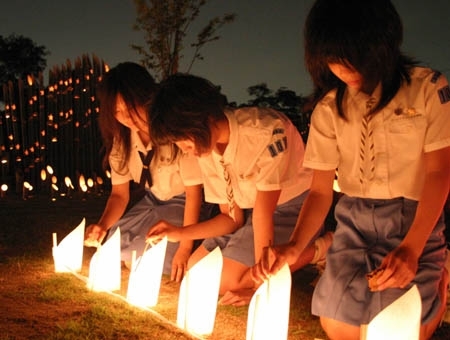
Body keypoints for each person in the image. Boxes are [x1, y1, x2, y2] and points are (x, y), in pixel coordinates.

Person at [252, 0, 450, 339]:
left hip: (414, 219)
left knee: (396, 327)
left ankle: (437, 282)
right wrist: (295, 246)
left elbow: (439, 173)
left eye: (356, 55)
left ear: (382, 43)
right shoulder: (329, 109)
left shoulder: (428, 89)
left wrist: (413, 248)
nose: (346, 68)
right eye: (335, 59)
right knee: (338, 326)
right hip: (354, 223)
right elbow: (320, 191)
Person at [146, 73, 333, 305]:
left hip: (292, 208)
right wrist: (178, 232)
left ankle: (321, 248)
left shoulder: (266, 132)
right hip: (252, 215)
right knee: (196, 273)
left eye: (183, 141)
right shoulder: (207, 148)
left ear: (200, 119)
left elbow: (265, 213)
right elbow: (231, 218)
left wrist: (259, 284)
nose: (184, 150)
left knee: (226, 282)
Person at [84, 62, 214, 282]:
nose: (127, 117)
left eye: (131, 107)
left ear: (147, 98)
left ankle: (192, 241)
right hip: (152, 200)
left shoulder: (173, 130)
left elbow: (194, 194)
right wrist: (102, 225)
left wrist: (185, 247)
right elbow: (119, 194)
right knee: (111, 246)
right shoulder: (122, 140)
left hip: (185, 201)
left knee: (150, 257)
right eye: (117, 111)